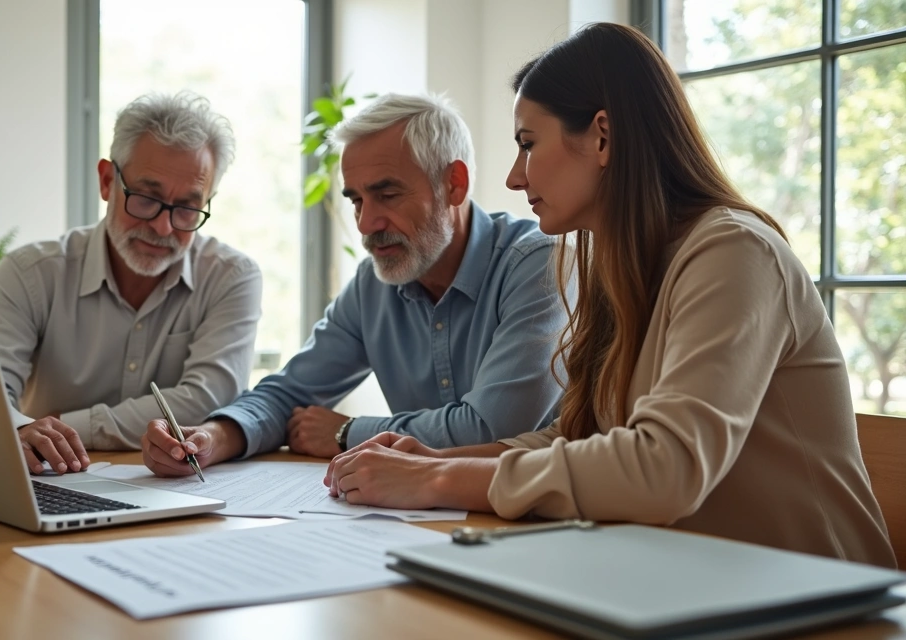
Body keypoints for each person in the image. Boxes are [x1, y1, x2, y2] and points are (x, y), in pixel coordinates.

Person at [323, 23, 896, 568]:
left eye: (528, 144)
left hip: (819, 603)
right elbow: (576, 436)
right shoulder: (620, 262)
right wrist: (437, 459)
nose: (514, 178)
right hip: (690, 583)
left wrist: (438, 481)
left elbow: (663, 468)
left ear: (602, 135)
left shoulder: (734, 252)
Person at [141, 93, 567, 476]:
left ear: (453, 184)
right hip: (423, 516)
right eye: (357, 200)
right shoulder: (376, 281)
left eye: (387, 194)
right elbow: (290, 392)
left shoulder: (537, 264)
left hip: (535, 519)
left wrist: (347, 432)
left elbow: (492, 429)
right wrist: (212, 438)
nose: (366, 224)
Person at [0, 91, 263, 476]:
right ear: (105, 181)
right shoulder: (29, 273)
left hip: (172, 491)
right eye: (147, 198)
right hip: (51, 479)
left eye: (186, 208)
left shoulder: (231, 277)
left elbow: (207, 400)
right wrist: (19, 428)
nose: (163, 227)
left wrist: (60, 427)